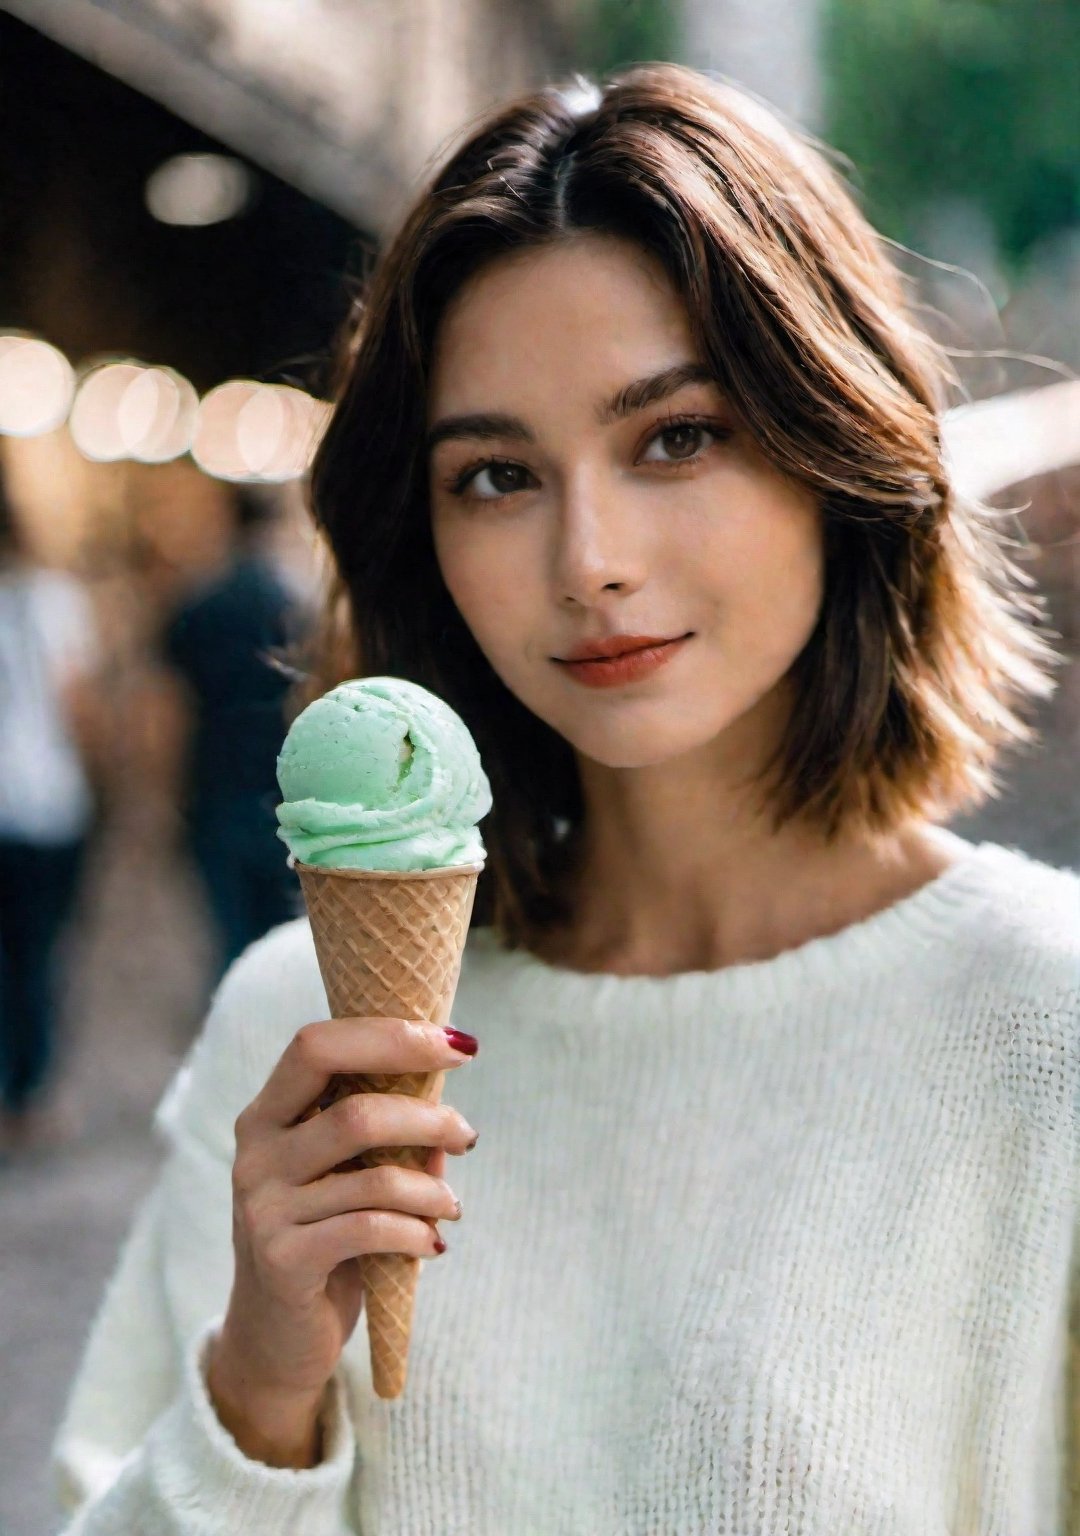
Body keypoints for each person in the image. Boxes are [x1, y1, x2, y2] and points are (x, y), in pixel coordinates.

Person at [53, 64, 1080, 1533]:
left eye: (677, 436)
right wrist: (256, 1394)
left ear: (837, 448)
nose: (587, 556)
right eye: (494, 476)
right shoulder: (300, 1038)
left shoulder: (1050, 1032)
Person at [161, 487, 304, 985]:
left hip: (215, 782)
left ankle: (237, 1036)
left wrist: (166, 790)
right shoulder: (293, 605)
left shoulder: (203, 604)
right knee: (282, 935)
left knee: (229, 937)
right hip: (282, 788)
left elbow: (169, 709)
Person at [0, 466, 103, 1153]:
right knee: (37, 952)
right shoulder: (55, 599)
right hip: (48, 804)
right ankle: (26, 1096)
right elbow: (77, 708)